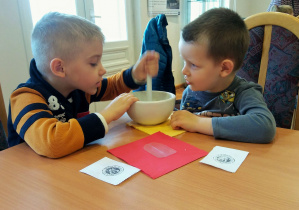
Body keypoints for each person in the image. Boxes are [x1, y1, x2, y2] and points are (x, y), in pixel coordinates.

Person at [7, 12, 159, 158]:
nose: (102, 69)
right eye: (93, 63)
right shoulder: (25, 97)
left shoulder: (78, 88)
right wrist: (106, 115)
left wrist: (134, 75)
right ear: (60, 68)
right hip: (28, 178)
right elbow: (52, 142)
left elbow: (111, 86)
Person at [170, 8, 276, 143]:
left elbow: (265, 127)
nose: (184, 71)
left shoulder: (244, 92)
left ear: (224, 68)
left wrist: (198, 123)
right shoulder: (189, 93)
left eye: (193, 65)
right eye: (184, 62)